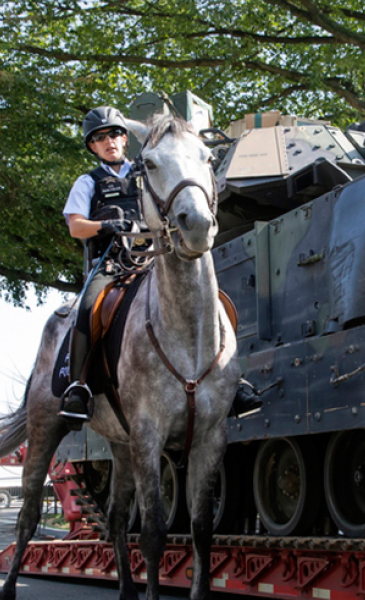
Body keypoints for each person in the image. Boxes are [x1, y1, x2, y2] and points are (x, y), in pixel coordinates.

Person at [57, 106, 262, 427]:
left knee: (213, 299)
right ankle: (79, 386)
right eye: (100, 138)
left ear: (125, 139)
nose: (109, 141)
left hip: (158, 261)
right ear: (92, 146)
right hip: (113, 265)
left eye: (114, 134)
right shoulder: (88, 182)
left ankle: (232, 380)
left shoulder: (150, 169)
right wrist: (108, 224)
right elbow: (76, 227)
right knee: (87, 306)